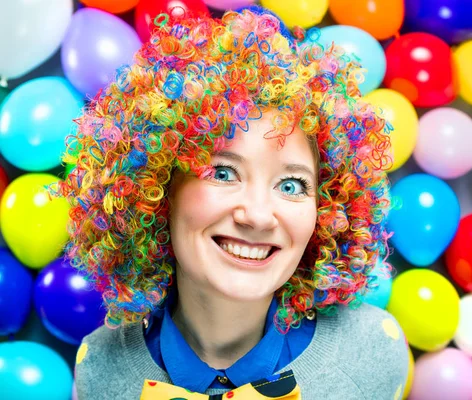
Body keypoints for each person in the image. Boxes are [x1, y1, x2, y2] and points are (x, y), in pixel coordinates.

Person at [54, 7, 409, 400]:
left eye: (292, 185)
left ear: (326, 213)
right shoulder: (100, 368)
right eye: (222, 173)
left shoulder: (372, 355)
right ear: (155, 191)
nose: (257, 215)